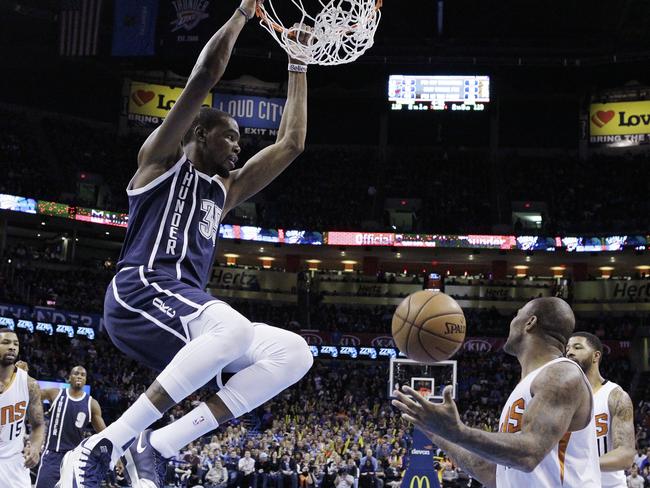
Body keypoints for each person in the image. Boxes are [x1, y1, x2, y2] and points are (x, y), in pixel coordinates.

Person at [57, 1, 313, 487]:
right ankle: (104, 442)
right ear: (199, 133)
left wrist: (297, 62)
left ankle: (158, 443)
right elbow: (205, 74)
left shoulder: (227, 189)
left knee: (294, 353)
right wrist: (242, 13)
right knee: (234, 327)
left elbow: (292, 143)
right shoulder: (159, 162)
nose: (238, 146)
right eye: (231, 137)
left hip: (187, 311)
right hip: (139, 290)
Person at [392, 297, 601, 487]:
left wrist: (458, 432)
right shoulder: (529, 384)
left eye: (517, 314)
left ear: (530, 322)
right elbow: (493, 472)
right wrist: (437, 433)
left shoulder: (562, 374)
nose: (512, 322)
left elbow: (529, 454)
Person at [567, 332, 636, 488]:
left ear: (596, 356)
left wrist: (580, 465)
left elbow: (625, 456)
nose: (570, 352)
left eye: (577, 347)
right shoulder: (562, 399)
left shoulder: (615, 396)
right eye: (567, 349)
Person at [35, 365, 107, 488]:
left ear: (85, 380)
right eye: (76, 373)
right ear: (69, 378)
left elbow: (105, 434)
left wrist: (117, 457)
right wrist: (21, 377)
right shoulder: (55, 393)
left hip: (73, 458)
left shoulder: (92, 404)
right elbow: (32, 395)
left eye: (82, 375)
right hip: (52, 455)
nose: (79, 376)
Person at [0, 328, 45, 488]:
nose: (12, 347)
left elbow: (38, 425)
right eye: (5, 342)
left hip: (15, 466)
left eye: (16, 344)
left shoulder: (29, 384)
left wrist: (35, 447)